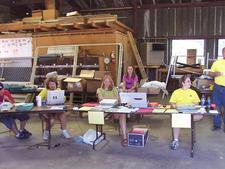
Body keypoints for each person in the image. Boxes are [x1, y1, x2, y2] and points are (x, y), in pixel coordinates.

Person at [169, 74, 203, 150]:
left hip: (190, 112)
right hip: (180, 112)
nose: (190, 83)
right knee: (176, 117)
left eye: (190, 82)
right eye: (188, 81)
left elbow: (197, 103)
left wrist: (192, 106)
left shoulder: (193, 92)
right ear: (183, 83)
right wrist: (176, 106)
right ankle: (175, 140)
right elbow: (172, 103)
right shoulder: (176, 92)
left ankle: (184, 120)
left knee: (200, 115)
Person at [97, 75, 128, 146]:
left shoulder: (114, 89)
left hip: (114, 109)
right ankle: (98, 135)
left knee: (123, 114)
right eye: (106, 81)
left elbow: (117, 99)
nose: (107, 83)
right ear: (103, 82)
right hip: (104, 110)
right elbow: (100, 99)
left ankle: (125, 137)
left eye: (109, 81)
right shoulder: (99, 89)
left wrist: (106, 98)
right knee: (97, 115)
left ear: (111, 82)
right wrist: (112, 98)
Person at [209, 47, 225, 131]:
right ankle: (216, 125)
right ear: (222, 53)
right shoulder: (217, 63)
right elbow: (210, 73)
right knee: (215, 106)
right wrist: (215, 73)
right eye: (224, 52)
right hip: (217, 88)